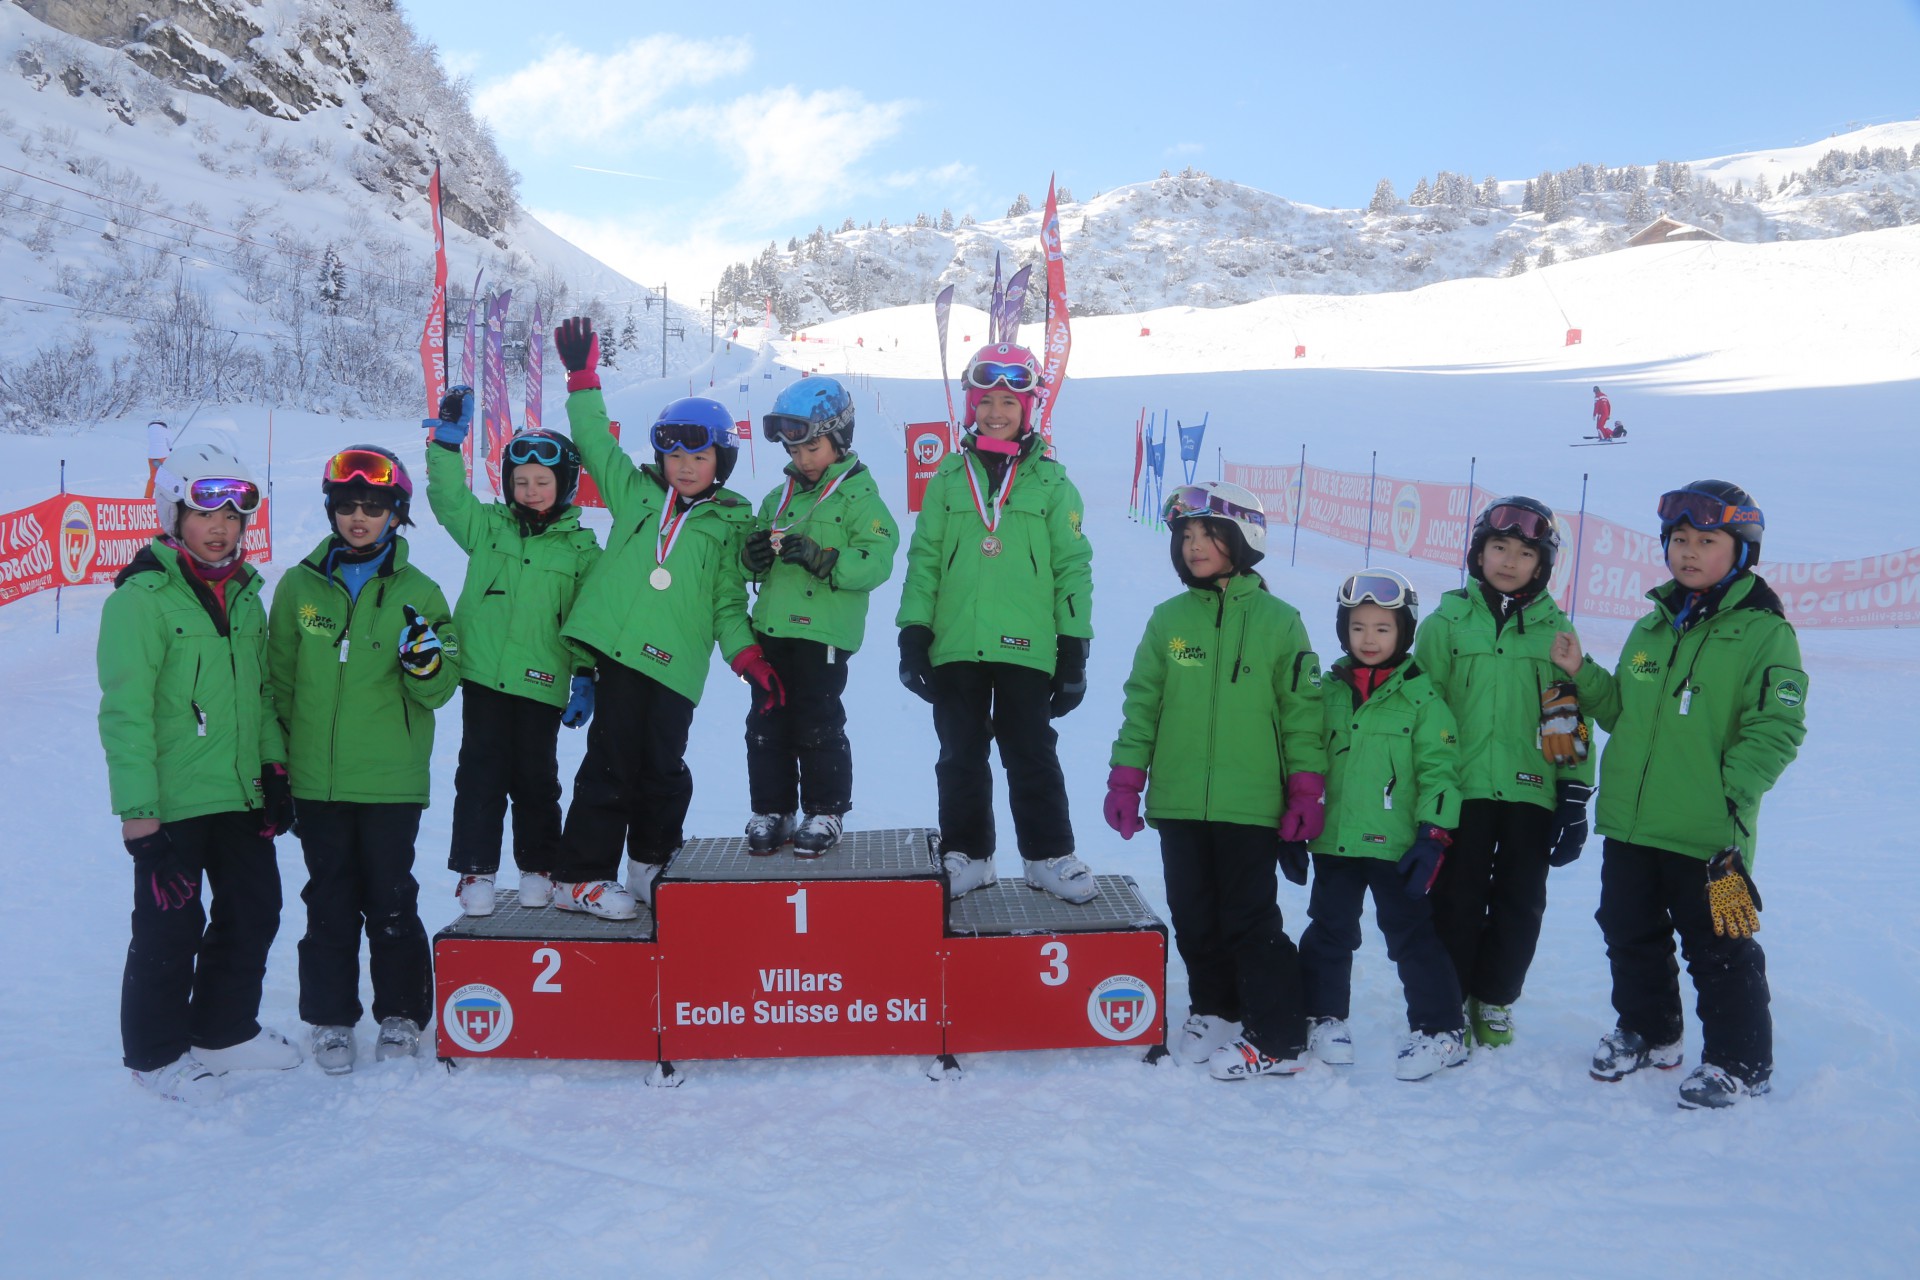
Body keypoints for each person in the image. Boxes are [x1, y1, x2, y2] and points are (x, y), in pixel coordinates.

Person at [1552, 480, 1806, 1109]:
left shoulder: (1764, 632)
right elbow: (1623, 712)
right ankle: (1651, 1031)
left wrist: (1729, 795)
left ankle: (1741, 1063)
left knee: (1722, 946)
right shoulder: (1652, 626)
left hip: (1710, 832)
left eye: (1707, 541)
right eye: (1679, 539)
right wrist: (1582, 674)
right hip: (1632, 824)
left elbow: (1778, 727)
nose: (1689, 552)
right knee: (1627, 930)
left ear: (1742, 550)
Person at [547, 316, 782, 919]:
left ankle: (651, 864)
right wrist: (583, 380)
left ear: (721, 460)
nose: (684, 466)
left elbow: (728, 599)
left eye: (698, 456)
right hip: (622, 654)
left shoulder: (732, 520)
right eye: (673, 455)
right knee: (610, 765)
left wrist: (748, 657)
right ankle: (580, 877)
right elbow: (595, 442)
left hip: (677, 666)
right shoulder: (636, 493)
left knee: (664, 769)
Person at [97, 442, 299, 1104]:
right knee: (169, 931)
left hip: (237, 794)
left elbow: (259, 694)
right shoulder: (141, 600)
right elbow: (125, 714)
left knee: (254, 911)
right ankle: (155, 1056)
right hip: (173, 801)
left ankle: (223, 1031)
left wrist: (273, 769)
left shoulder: (246, 596)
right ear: (174, 514)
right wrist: (140, 820)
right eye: (205, 514)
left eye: (233, 517)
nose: (220, 529)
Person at [1105, 482, 1326, 1079]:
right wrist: (1126, 780)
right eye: (1186, 535)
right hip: (1179, 799)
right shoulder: (1169, 620)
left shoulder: (1280, 621)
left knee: (1250, 920)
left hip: (1250, 802)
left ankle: (1278, 1037)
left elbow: (1303, 715)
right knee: (1193, 915)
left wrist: (1306, 790)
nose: (1194, 545)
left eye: (1208, 534)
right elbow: (1142, 704)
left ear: (1242, 538)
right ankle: (1216, 1008)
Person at [269, 445, 460, 1075]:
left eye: (374, 507)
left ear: (396, 514)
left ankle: (401, 1012)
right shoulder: (298, 585)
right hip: (317, 781)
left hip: (389, 782)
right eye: (348, 505)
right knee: (328, 902)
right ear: (331, 510)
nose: (359, 517)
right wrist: (276, 765)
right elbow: (278, 683)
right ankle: (330, 1017)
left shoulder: (420, 591)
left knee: (391, 898)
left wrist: (427, 665)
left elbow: (439, 688)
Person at [896, 342, 1096, 904]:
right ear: (971, 406)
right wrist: (914, 633)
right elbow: (925, 560)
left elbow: (1073, 568)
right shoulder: (947, 478)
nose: (996, 412)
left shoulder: (1053, 483)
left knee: (1031, 752)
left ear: (1027, 409)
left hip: (1026, 644)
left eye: (1009, 402)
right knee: (959, 753)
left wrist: (1073, 646)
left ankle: (1047, 855)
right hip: (956, 642)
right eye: (986, 401)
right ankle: (970, 854)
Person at [1413, 497, 1595, 1049]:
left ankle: (1494, 996)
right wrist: (1423, 786)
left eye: (1524, 553)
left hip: (1529, 792)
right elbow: (1423, 707)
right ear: (1478, 553)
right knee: (1456, 898)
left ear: (1542, 565)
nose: (1509, 561)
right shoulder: (1446, 623)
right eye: (1499, 547)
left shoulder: (1555, 630)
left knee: (1521, 902)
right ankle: (1450, 994)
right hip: (1461, 790)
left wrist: (1572, 793)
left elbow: (1565, 711)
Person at [423, 389, 602, 916]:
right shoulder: (487, 527)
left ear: (565, 484)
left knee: (536, 781)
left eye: (542, 482)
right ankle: (475, 871)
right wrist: (446, 444)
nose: (531, 491)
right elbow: (447, 498)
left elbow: (586, 620)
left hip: (541, 681)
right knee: (478, 777)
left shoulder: (581, 551)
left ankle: (538, 868)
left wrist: (585, 675)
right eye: (521, 482)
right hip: (483, 676)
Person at [1299, 569, 1468, 1082]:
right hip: (1336, 841)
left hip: (1396, 845)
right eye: (1358, 627)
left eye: (1382, 628)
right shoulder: (1328, 692)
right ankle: (1323, 1017)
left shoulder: (1423, 699)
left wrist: (1433, 835)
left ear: (1404, 632)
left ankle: (1441, 1029)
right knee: (1329, 931)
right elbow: (1304, 755)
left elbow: (1441, 772)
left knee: (1411, 936)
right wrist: (1292, 819)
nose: (1368, 639)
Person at [739, 376, 899, 856]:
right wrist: (751, 558)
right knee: (766, 723)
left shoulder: (860, 498)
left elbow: (877, 559)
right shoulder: (778, 498)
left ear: (840, 437)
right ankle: (773, 808)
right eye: (794, 450)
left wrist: (827, 559)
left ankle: (825, 809)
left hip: (824, 634)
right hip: (772, 630)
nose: (803, 459)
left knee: (816, 721)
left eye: (812, 447)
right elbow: (749, 559)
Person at [143, 420, 172, 500]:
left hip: (151, 456)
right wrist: (170, 448)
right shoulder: (165, 430)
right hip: (163, 455)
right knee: (166, 475)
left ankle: (148, 496)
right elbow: (169, 443)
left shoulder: (150, 431)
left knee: (153, 476)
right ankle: (167, 497)